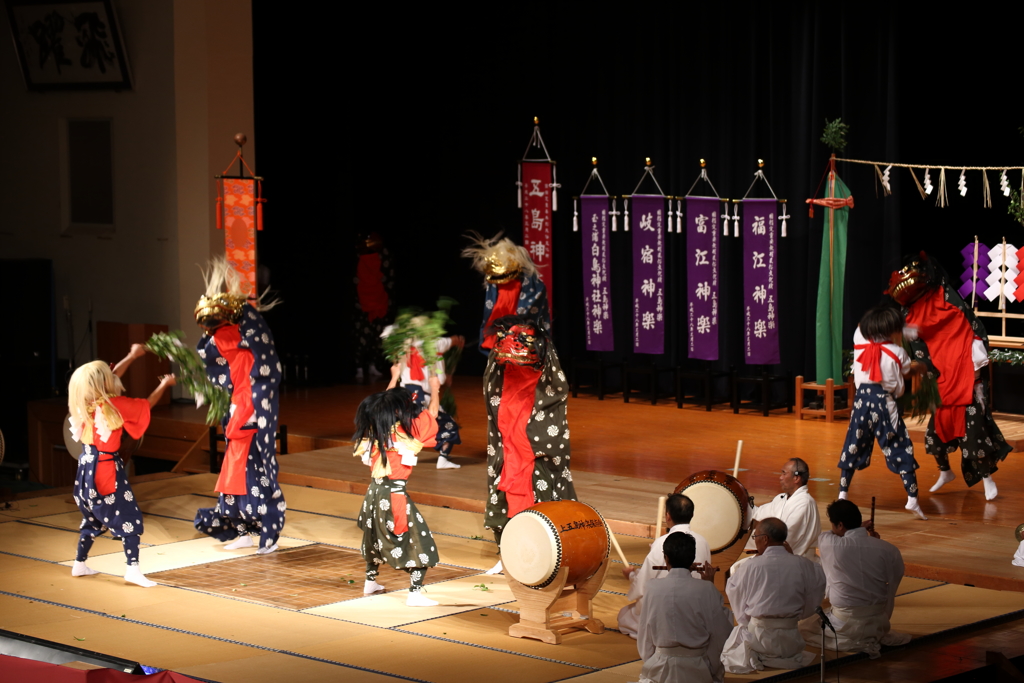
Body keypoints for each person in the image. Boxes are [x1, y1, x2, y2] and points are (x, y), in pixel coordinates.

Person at [886, 255, 1011, 500]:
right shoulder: (910, 311)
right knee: (935, 433)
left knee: (973, 434)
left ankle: (987, 478)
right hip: (942, 379)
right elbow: (917, 347)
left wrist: (974, 371)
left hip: (965, 377)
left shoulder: (946, 298)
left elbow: (970, 328)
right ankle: (945, 471)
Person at [193, 257, 286, 554]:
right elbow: (211, 355)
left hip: (251, 408)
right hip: (236, 407)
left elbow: (262, 359)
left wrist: (247, 410)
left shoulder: (249, 349)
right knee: (235, 474)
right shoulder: (221, 343)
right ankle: (242, 530)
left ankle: (267, 533)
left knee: (255, 472)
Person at [68, 350, 176, 587]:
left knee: (93, 517)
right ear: (104, 385)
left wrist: (132, 355)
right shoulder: (113, 404)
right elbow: (146, 405)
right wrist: (165, 385)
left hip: (85, 467)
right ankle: (132, 569)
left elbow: (109, 376)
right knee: (128, 516)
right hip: (105, 469)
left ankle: (79, 563)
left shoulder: (85, 401)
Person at [482, 315, 576, 574]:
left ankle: (547, 556)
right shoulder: (502, 370)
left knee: (539, 495)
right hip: (508, 440)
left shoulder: (546, 372)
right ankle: (506, 554)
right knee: (506, 494)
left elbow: (554, 406)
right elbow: (493, 393)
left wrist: (536, 442)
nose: (513, 344)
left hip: (532, 443)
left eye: (522, 339)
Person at [354, 372, 442, 607]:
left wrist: (393, 378)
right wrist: (435, 389)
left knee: (373, 538)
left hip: (374, 493)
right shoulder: (406, 434)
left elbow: (382, 401)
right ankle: (415, 593)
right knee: (419, 541)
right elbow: (431, 415)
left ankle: (370, 581)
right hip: (394, 494)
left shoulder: (376, 430)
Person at [838, 305, 927, 519]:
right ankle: (912, 499)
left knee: (853, 443)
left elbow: (862, 325)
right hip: (884, 403)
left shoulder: (860, 340)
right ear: (892, 330)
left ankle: (842, 493)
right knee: (899, 445)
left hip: (861, 403)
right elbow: (903, 377)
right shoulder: (899, 352)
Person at [800, 499, 911, 657]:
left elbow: (826, 535)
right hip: (879, 620)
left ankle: (852, 637)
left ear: (839, 525)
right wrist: (871, 540)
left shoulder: (831, 544)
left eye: (833, 524)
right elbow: (893, 582)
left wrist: (859, 529)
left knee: (804, 629)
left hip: (844, 622)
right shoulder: (889, 550)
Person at [721, 518, 826, 674]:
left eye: (755, 537)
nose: (755, 541)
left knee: (731, 642)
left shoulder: (750, 566)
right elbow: (817, 589)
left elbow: (734, 591)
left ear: (765, 539)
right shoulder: (803, 564)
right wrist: (799, 614)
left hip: (759, 639)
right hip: (791, 639)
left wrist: (744, 619)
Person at [635, 532, 733, 683]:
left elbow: (644, 633)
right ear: (692, 559)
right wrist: (709, 584)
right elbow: (721, 631)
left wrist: (651, 661)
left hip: (660, 667)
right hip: (698, 669)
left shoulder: (652, 588)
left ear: (665, 557)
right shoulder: (706, 589)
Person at [618, 493, 712, 639]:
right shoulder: (703, 541)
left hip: (666, 604)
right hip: (695, 604)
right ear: (692, 514)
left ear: (668, 516)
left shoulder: (663, 543)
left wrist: (631, 575)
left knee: (624, 616)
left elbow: (645, 583)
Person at [385, 331, 464, 470]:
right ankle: (442, 458)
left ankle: (405, 458)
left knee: (409, 426)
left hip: (406, 396)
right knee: (448, 425)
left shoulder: (403, 346)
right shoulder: (435, 343)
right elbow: (455, 339)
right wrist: (459, 341)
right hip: (423, 396)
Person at [462, 232, 551, 356]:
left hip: (517, 323)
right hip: (498, 321)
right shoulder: (494, 283)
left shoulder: (529, 283)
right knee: (499, 357)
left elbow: (535, 301)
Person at [736, 458, 820, 566]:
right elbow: (757, 513)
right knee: (738, 568)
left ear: (796, 478)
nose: (780, 477)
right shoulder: (781, 499)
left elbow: (783, 538)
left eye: (784, 473)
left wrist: (759, 526)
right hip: (778, 556)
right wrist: (739, 504)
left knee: (741, 569)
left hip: (798, 561)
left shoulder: (804, 503)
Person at [353, 232, 393, 382]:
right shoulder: (358, 256)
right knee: (362, 337)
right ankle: (358, 367)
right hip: (363, 301)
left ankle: (373, 365)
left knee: (377, 337)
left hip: (378, 299)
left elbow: (388, 277)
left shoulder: (383, 255)